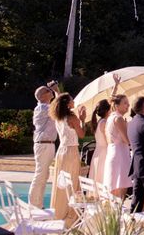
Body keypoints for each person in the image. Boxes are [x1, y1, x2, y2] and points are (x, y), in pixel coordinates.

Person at [49, 93, 86, 228]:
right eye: (71, 100)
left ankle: (58, 211)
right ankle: (69, 215)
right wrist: (82, 119)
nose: (73, 101)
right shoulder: (72, 117)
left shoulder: (58, 117)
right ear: (67, 103)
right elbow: (82, 135)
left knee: (61, 183)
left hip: (61, 151)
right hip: (71, 152)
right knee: (72, 182)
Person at [28, 81, 59, 208]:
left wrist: (56, 91)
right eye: (48, 90)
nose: (50, 91)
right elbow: (60, 107)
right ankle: (33, 205)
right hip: (44, 144)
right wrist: (57, 90)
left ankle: (38, 204)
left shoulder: (45, 107)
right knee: (40, 174)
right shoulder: (43, 107)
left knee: (43, 175)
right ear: (42, 96)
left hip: (47, 144)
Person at [89, 73, 121, 184]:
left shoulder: (101, 121)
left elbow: (110, 102)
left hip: (98, 153)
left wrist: (115, 86)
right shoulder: (104, 123)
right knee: (103, 180)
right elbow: (109, 141)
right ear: (108, 110)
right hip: (104, 154)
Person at [103, 94, 132, 197]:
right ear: (116, 106)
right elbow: (127, 140)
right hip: (120, 154)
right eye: (125, 103)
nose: (128, 105)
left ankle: (113, 212)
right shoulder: (119, 119)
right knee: (121, 186)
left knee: (114, 185)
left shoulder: (110, 117)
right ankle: (118, 212)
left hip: (112, 152)